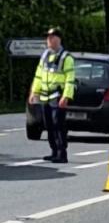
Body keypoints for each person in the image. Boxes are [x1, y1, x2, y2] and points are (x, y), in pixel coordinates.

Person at [29, 27, 75, 163]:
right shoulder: (44, 56)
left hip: (57, 95)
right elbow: (38, 76)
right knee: (48, 125)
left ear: (58, 39)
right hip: (44, 96)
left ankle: (62, 153)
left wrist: (66, 96)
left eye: (52, 37)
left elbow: (70, 79)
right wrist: (34, 92)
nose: (49, 40)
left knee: (58, 125)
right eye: (48, 37)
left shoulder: (66, 57)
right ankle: (54, 151)